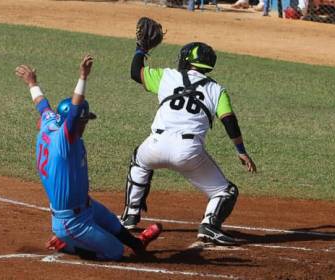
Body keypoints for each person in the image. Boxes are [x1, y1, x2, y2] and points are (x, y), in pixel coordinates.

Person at [15, 55, 162, 261]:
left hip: (85, 205)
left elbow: (42, 104)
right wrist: (83, 77)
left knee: (111, 222)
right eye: (84, 121)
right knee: (115, 251)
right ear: (74, 123)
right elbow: (75, 112)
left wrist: (32, 82)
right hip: (70, 221)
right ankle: (68, 246)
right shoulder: (64, 140)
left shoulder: (50, 123)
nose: (85, 125)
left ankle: (138, 243)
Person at [120, 42, 257, 245]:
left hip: (155, 144)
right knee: (225, 191)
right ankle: (209, 225)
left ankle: (131, 214)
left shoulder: (167, 76)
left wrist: (141, 49)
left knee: (139, 162)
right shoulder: (217, 90)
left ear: (186, 60)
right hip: (188, 152)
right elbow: (229, 121)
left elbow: (135, 72)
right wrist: (241, 151)